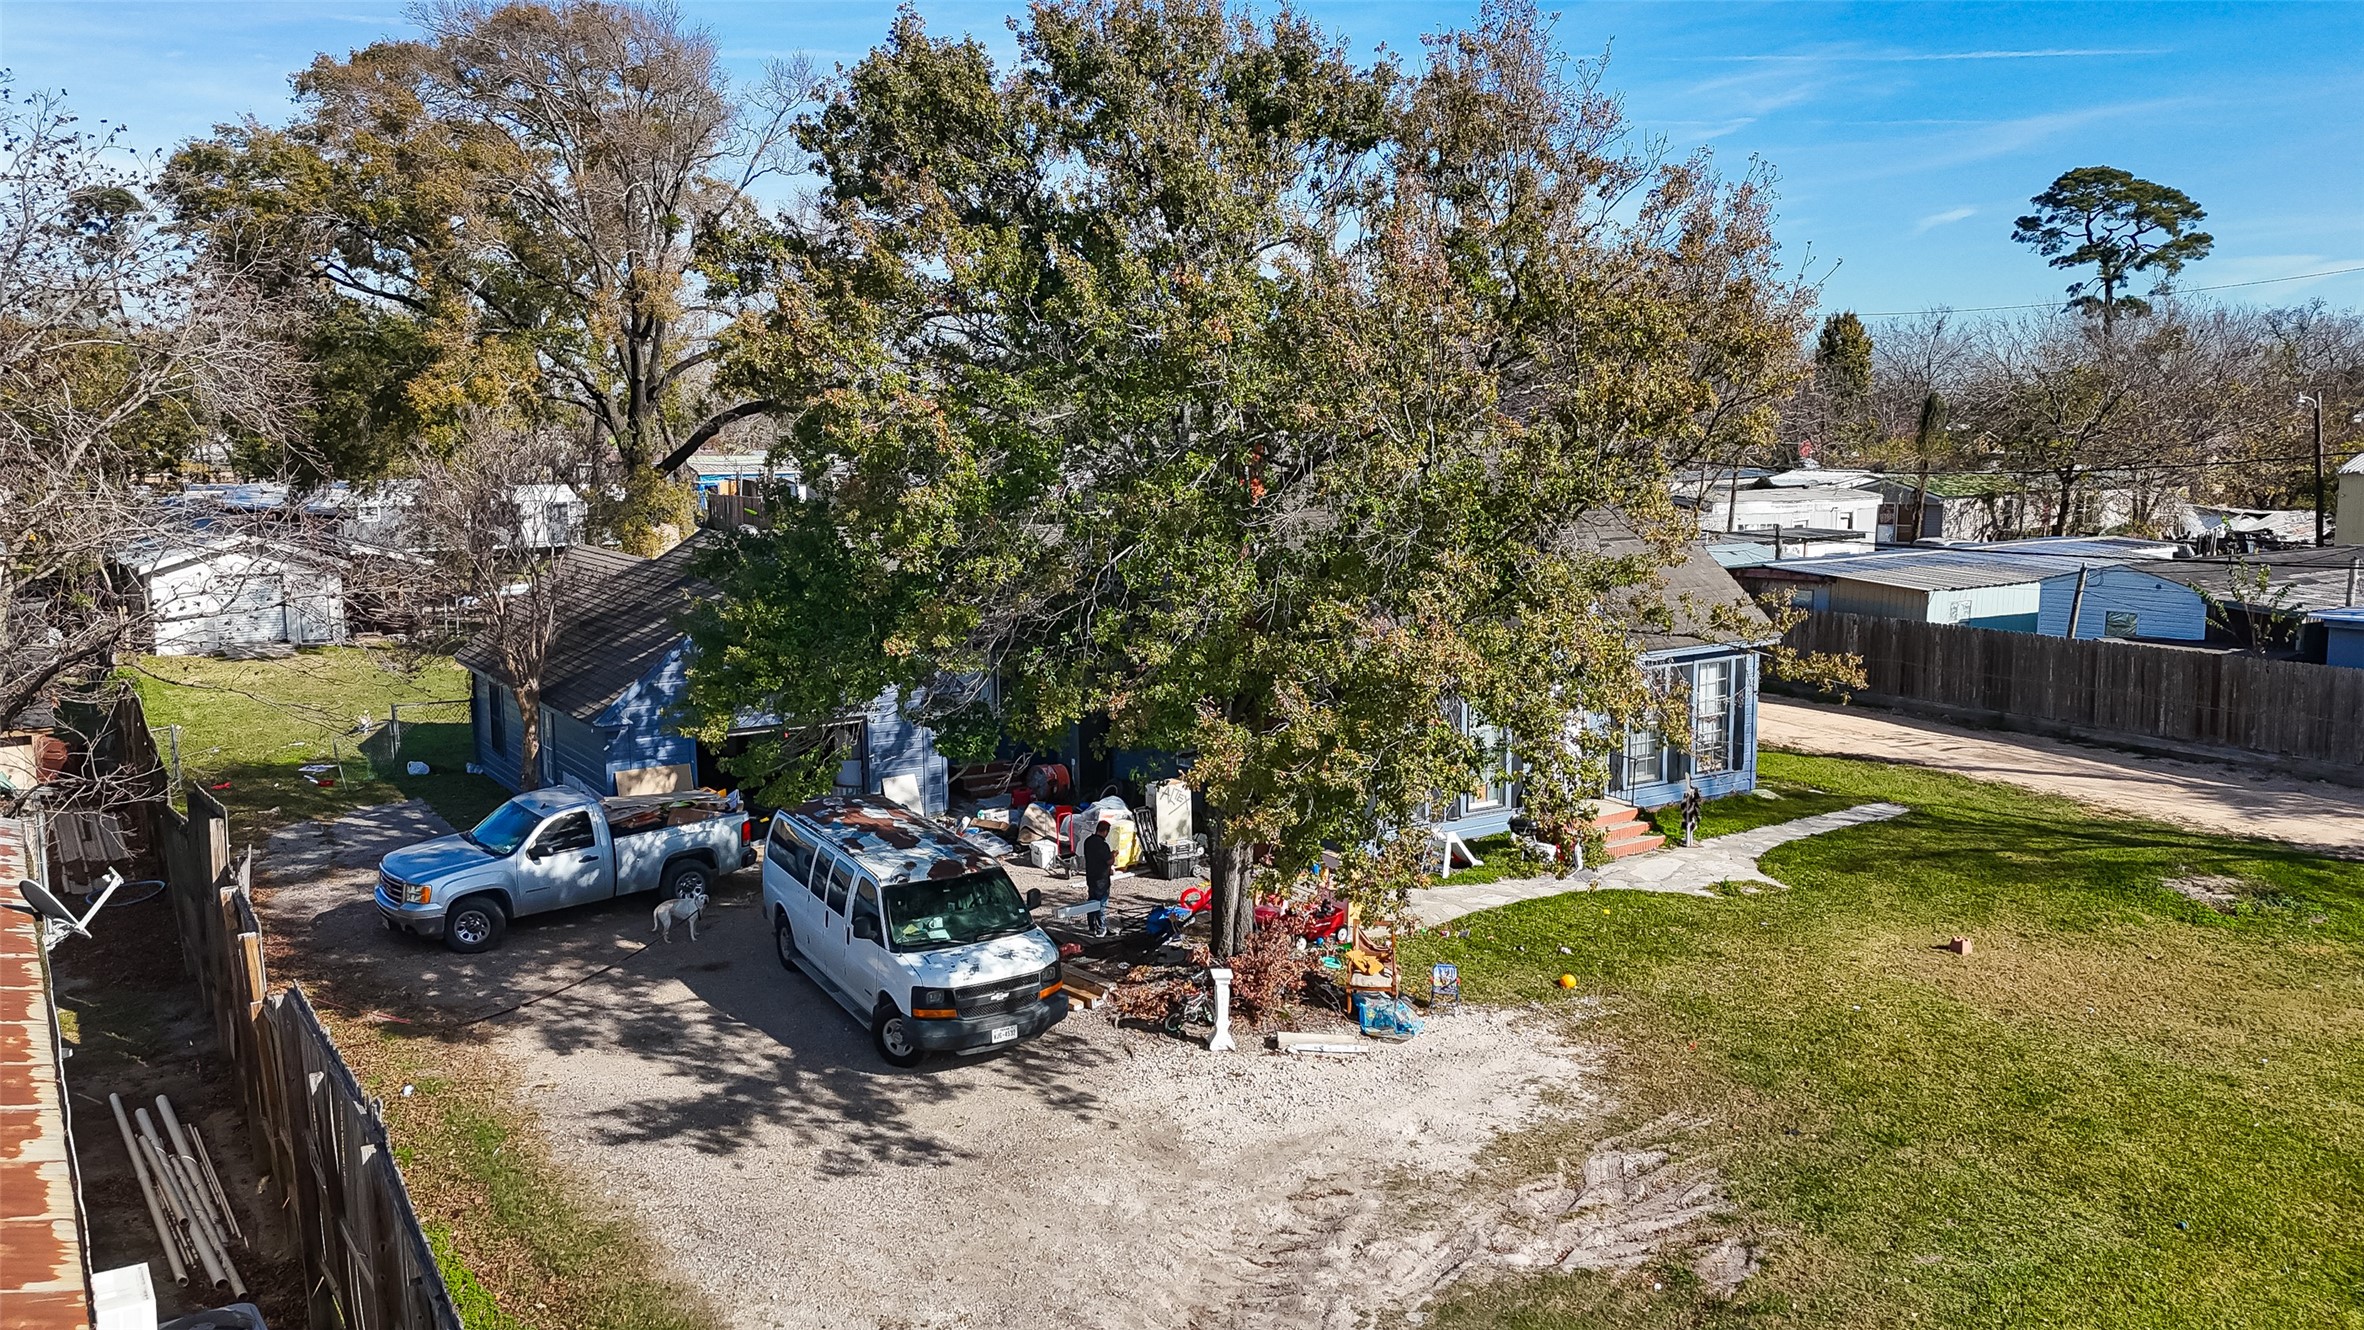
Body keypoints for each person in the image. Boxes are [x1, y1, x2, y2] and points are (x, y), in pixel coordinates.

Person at [1083, 819, 1115, 936]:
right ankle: (1101, 929)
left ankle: (1091, 926)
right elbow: (1109, 861)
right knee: (1102, 904)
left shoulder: (1088, 841)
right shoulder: (1103, 845)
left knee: (1091, 902)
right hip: (1101, 879)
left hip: (1090, 877)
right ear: (1106, 832)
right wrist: (1113, 855)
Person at [1680, 780, 1703, 848]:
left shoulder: (1690, 796)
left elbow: (1697, 800)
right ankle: (1688, 843)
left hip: (1691, 813)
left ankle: (1690, 841)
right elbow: (1685, 805)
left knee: (1692, 826)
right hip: (1689, 813)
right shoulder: (1688, 796)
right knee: (1689, 826)